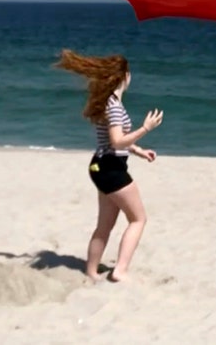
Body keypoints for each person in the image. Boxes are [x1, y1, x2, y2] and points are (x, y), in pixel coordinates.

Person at [54, 49, 162, 283]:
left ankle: (91, 272)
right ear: (124, 76)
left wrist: (139, 150)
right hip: (111, 170)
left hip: (100, 167)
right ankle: (120, 271)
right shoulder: (113, 106)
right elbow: (116, 140)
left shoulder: (109, 102)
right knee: (138, 219)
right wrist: (145, 128)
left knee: (105, 225)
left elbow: (116, 140)